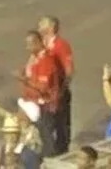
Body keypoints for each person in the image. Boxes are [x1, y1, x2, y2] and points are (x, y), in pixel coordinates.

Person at [26, 17, 75, 156]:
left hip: (57, 93)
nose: (39, 26)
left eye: (42, 23)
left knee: (62, 127)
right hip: (44, 94)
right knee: (47, 129)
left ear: (51, 27)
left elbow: (69, 70)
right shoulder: (43, 46)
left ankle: (63, 154)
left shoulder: (61, 45)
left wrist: (61, 91)